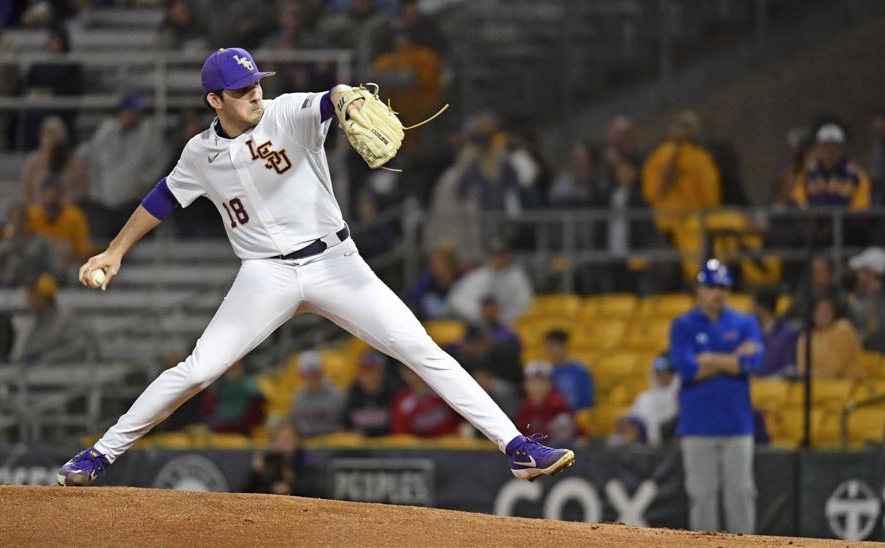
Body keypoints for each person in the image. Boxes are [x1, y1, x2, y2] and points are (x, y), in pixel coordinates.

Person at [59, 48, 572, 487]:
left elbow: (331, 98)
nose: (255, 94)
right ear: (215, 101)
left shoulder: (287, 114)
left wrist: (347, 96)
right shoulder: (199, 153)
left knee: (420, 348)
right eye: (241, 90)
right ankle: (99, 454)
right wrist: (115, 251)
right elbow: (163, 198)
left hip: (335, 263)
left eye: (256, 83)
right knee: (197, 369)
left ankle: (517, 448)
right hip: (265, 275)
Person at [671, 259, 762, 534]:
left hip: (737, 424)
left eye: (722, 286)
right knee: (702, 496)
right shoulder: (683, 325)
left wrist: (710, 359)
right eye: (711, 286)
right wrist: (732, 359)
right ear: (700, 289)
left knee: (742, 493)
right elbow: (687, 370)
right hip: (698, 425)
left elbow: (752, 364)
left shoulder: (745, 323)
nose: (717, 292)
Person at [641, 110, 721, 280]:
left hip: (664, 222)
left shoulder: (659, 155)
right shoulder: (699, 158)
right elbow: (710, 196)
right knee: (693, 269)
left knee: (670, 271)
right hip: (692, 224)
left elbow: (649, 193)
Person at [81, 93, 167, 238]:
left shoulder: (148, 131)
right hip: (105, 201)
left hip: (132, 202)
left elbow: (158, 161)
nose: (135, 116)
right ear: (122, 112)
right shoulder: (106, 130)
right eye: (132, 112)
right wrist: (94, 190)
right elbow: (93, 161)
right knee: (103, 245)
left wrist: (145, 182)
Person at [447, 239, 534, 325]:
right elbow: (456, 300)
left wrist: (499, 317)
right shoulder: (482, 274)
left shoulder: (518, 278)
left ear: (510, 255)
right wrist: (481, 313)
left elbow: (525, 306)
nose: (498, 258)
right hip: (478, 324)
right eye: (495, 255)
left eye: (501, 254)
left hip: (510, 326)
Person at [10, 273, 91, 364]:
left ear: (46, 297)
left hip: (61, 374)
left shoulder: (65, 320)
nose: (29, 299)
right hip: (27, 374)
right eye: (29, 295)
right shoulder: (28, 323)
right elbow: (17, 355)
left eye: (34, 295)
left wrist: (47, 358)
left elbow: (79, 349)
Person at [0, 204, 61, 287]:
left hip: (36, 290)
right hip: (9, 292)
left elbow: (54, 268)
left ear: (27, 221)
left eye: (21, 220)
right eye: (14, 220)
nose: (18, 224)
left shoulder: (40, 244)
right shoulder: (3, 246)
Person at [20, 115, 88, 205]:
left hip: (67, 210)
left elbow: (81, 189)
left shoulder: (74, 161)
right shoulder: (33, 162)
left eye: (54, 133)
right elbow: (25, 192)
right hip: (38, 211)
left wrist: (64, 202)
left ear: (63, 136)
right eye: (46, 132)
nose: (50, 138)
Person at [26, 176, 92, 265]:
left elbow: (83, 251)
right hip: (38, 267)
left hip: (67, 266)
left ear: (62, 196)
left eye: (54, 201)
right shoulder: (32, 216)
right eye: (47, 199)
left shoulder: (75, 217)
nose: (51, 202)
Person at [797, 294, 863, 380]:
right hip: (820, 387)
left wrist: (815, 374)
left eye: (828, 309)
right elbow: (803, 371)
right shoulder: (805, 338)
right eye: (820, 310)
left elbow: (836, 367)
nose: (824, 313)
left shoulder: (844, 329)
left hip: (849, 385)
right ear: (812, 314)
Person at [625, 354, 680, 447]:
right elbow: (632, 425)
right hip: (646, 453)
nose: (663, 376)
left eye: (667, 373)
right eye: (659, 373)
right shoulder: (643, 398)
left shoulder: (682, 398)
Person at [391, 367, 462, 438]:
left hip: (451, 444)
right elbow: (401, 435)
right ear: (404, 375)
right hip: (419, 447)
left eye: (420, 370)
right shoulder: (404, 401)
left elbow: (462, 421)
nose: (417, 375)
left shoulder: (444, 391)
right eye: (412, 372)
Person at [287, 350, 345, 438]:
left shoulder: (334, 395)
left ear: (321, 374)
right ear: (301, 376)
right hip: (305, 441)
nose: (311, 380)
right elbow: (292, 423)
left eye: (314, 376)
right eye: (307, 376)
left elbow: (343, 424)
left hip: (330, 442)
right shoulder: (298, 397)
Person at [341, 350, 399, 437]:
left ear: (383, 373)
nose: (368, 376)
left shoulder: (395, 393)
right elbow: (344, 426)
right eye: (364, 371)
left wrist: (367, 433)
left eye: (373, 371)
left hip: (389, 447)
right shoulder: (353, 393)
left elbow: (399, 429)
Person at [200, 360, 266, 435]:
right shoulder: (216, 386)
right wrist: (215, 423)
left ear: (242, 369)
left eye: (236, 368)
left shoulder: (250, 386)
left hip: (244, 430)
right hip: (217, 429)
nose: (232, 371)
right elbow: (207, 410)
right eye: (230, 369)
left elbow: (257, 411)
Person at [245, 422, 310, 496]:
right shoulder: (269, 459)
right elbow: (248, 491)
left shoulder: (306, 457)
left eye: (288, 437)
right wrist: (256, 472)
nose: (284, 441)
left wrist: (291, 487)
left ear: (297, 439)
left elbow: (314, 487)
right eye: (280, 438)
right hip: (271, 502)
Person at [516, 361, 575, 439]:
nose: (537, 387)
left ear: (550, 384)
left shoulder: (559, 404)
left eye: (541, 382)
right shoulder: (525, 406)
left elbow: (578, 432)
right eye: (533, 382)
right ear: (525, 385)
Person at [543, 329, 595, 412]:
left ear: (564, 346)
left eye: (552, 345)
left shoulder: (580, 372)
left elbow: (588, 402)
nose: (548, 350)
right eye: (547, 346)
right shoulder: (547, 373)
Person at [752, 288, 799, 378]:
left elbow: (790, 368)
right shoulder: (751, 331)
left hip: (777, 388)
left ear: (761, 308)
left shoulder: (788, 333)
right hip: (752, 386)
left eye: (752, 305)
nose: (749, 309)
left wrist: (766, 381)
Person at [406, 243, 461, 320]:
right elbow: (411, 299)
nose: (435, 265)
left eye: (440, 262)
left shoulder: (459, 279)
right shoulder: (426, 279)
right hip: (431, 322)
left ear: (449, 263)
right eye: (434, 262)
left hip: (455, 321)